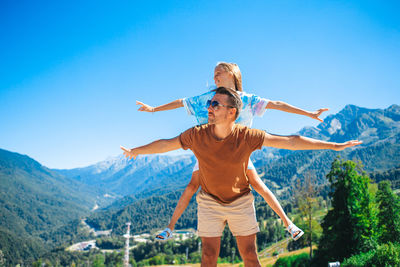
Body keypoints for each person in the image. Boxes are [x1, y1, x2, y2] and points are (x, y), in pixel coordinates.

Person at [122, 87, 362, 266]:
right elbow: (166, 144)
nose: (209, 108)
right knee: (208, 255)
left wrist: (332, 146)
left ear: (232, 112)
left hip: (241, 201)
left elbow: (290, 142)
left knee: (249, 254)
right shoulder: (196, 134)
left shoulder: (247, 135)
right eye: (209, 103)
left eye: (215, 104)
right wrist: (136, 151)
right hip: (209, 201)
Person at [136, 62, 328, 241]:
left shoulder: (248, 100)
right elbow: (180, 102)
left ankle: (289, 224)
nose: (215, 77)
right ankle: (170, 228)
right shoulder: (207, 98)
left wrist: (308, 113)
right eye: (213, 75)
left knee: (258, 184)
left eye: (218, 73)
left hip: (238, 153)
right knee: (192, 186)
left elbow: (277, 104)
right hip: (209, 153)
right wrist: (153, 109)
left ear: (232, 73)